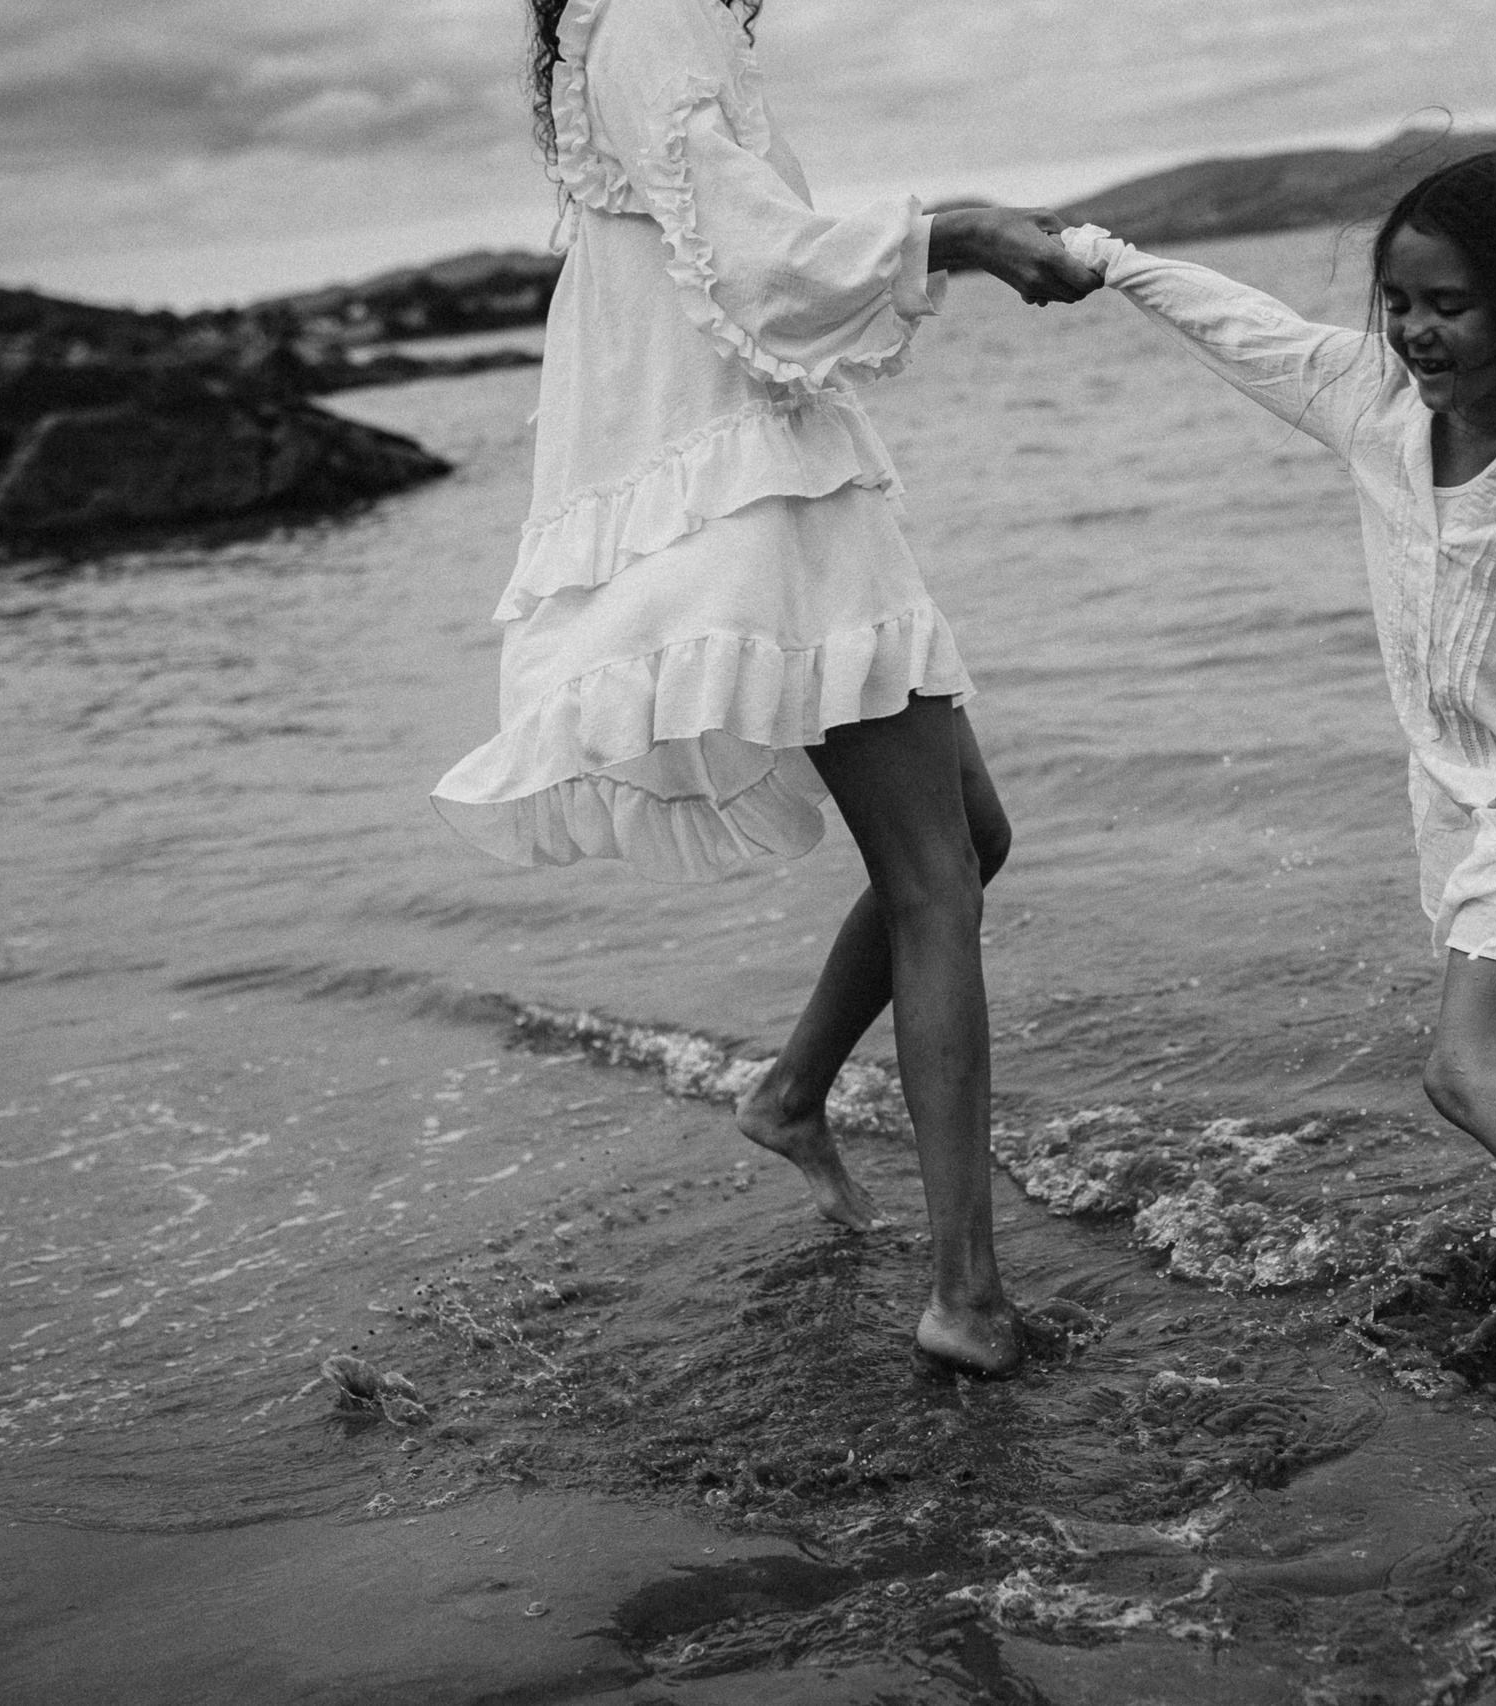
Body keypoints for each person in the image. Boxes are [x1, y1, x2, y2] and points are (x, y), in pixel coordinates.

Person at [1057, 151, 1496, 1484]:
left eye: (1451, 305)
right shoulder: (1376, 405)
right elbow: (1246, 326)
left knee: (1468, 1070)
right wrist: (1107, 262)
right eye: (1399, 301)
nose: (1417, 332)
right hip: (1452, 805)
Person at [433, 0, 1100, 1375]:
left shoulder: (641, 20)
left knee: (970, 842)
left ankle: (794, 1093)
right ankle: (966, 1297)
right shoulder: (656, 12)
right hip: (756, 493)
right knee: (937, 877)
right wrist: (960, 231)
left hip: (765, 470)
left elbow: (719, 263)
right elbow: (755, 262)